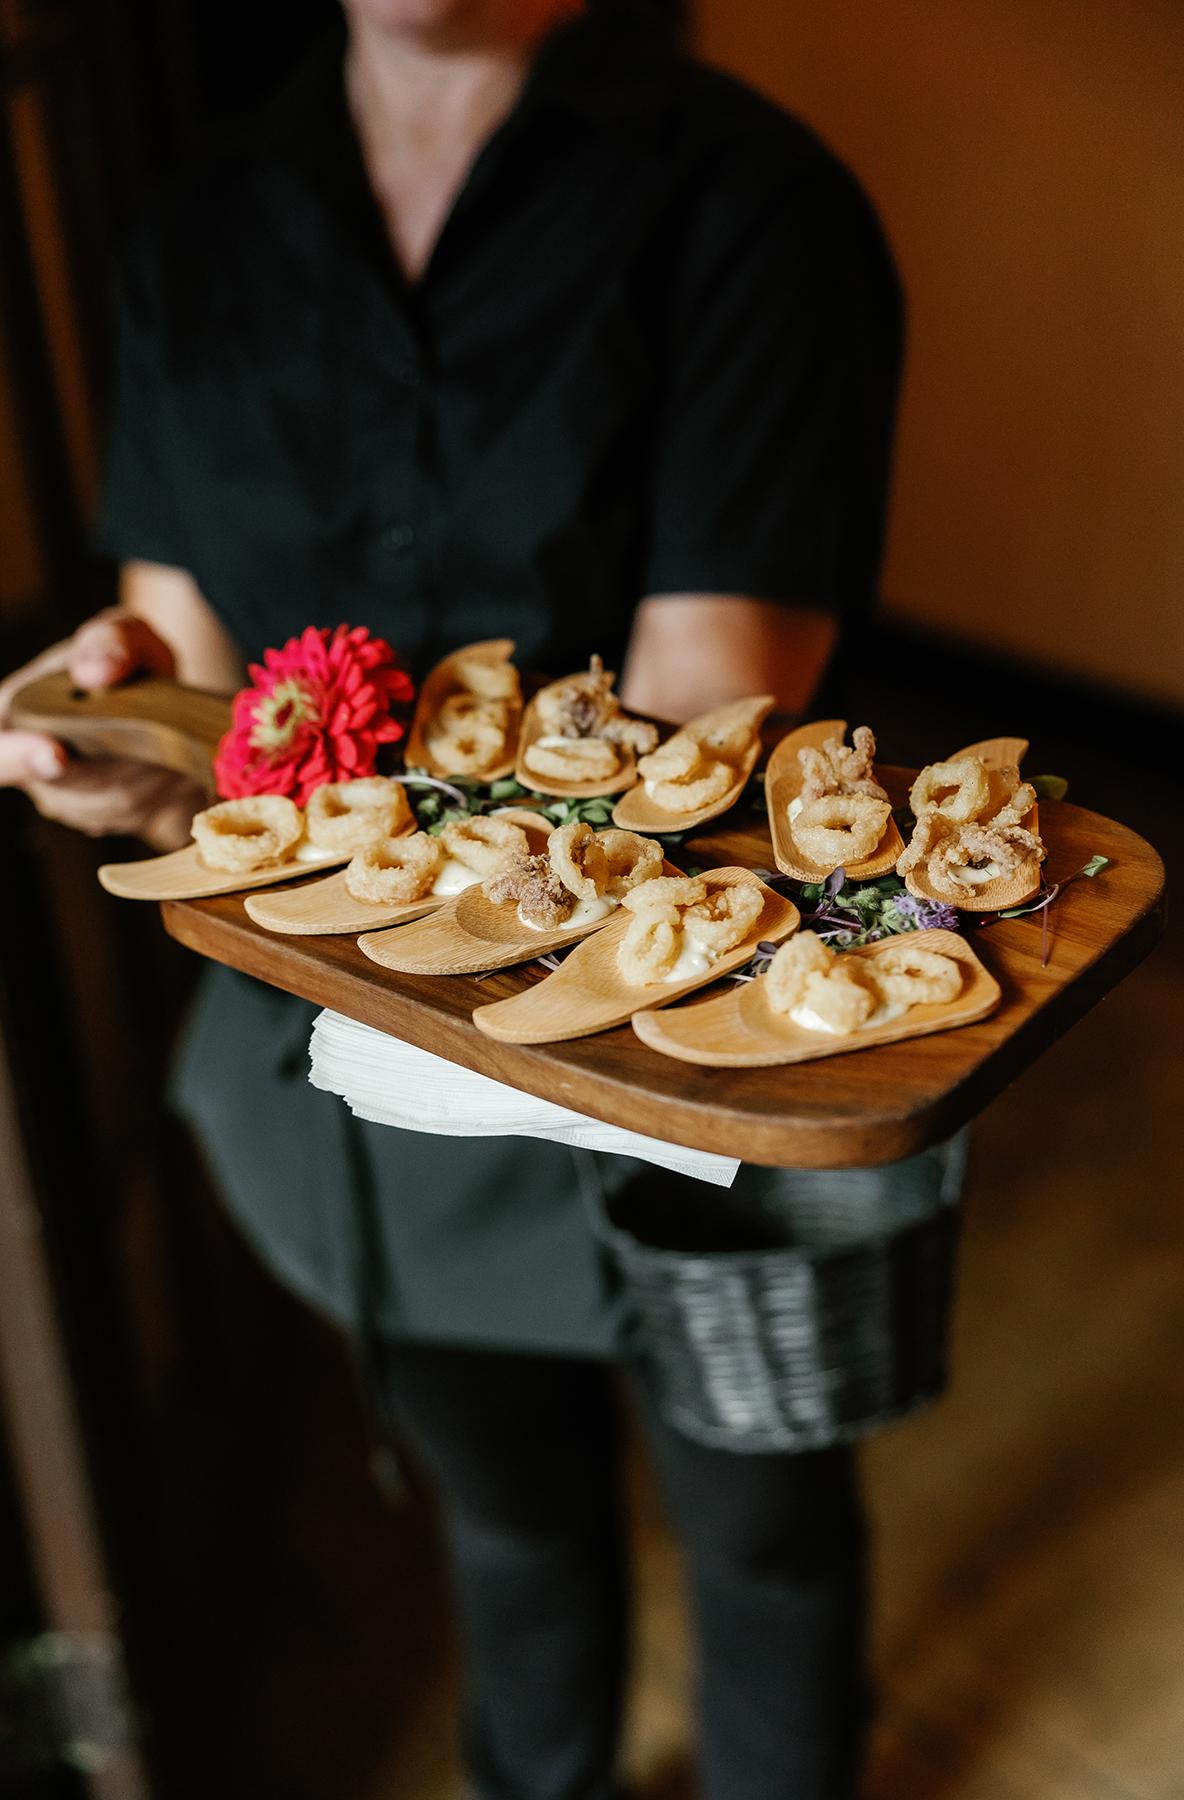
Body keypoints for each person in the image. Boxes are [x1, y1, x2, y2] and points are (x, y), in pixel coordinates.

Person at [0, 3, 961, 1795]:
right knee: (506, 1526)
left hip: (688, 1055)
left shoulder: (748, 202)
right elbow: (213, 690)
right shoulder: (196, 234)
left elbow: (695, 719)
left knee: (761, 1533)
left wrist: (301, 806)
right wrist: (154, 757)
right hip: (356, 1070)